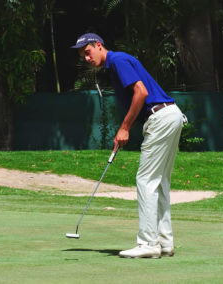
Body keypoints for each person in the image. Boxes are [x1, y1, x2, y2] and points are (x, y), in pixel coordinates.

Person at [71, 33, 185, 259]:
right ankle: (164, 242)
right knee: (160, 181)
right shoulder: (115, 64)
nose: (86, 58)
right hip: (170, 115)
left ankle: (148, 243)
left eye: (87, 52)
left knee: (146, 180)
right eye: (82, 55)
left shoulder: (118, 60)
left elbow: (141, 92)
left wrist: (124, 128)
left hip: (160, 117)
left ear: (99, 46)